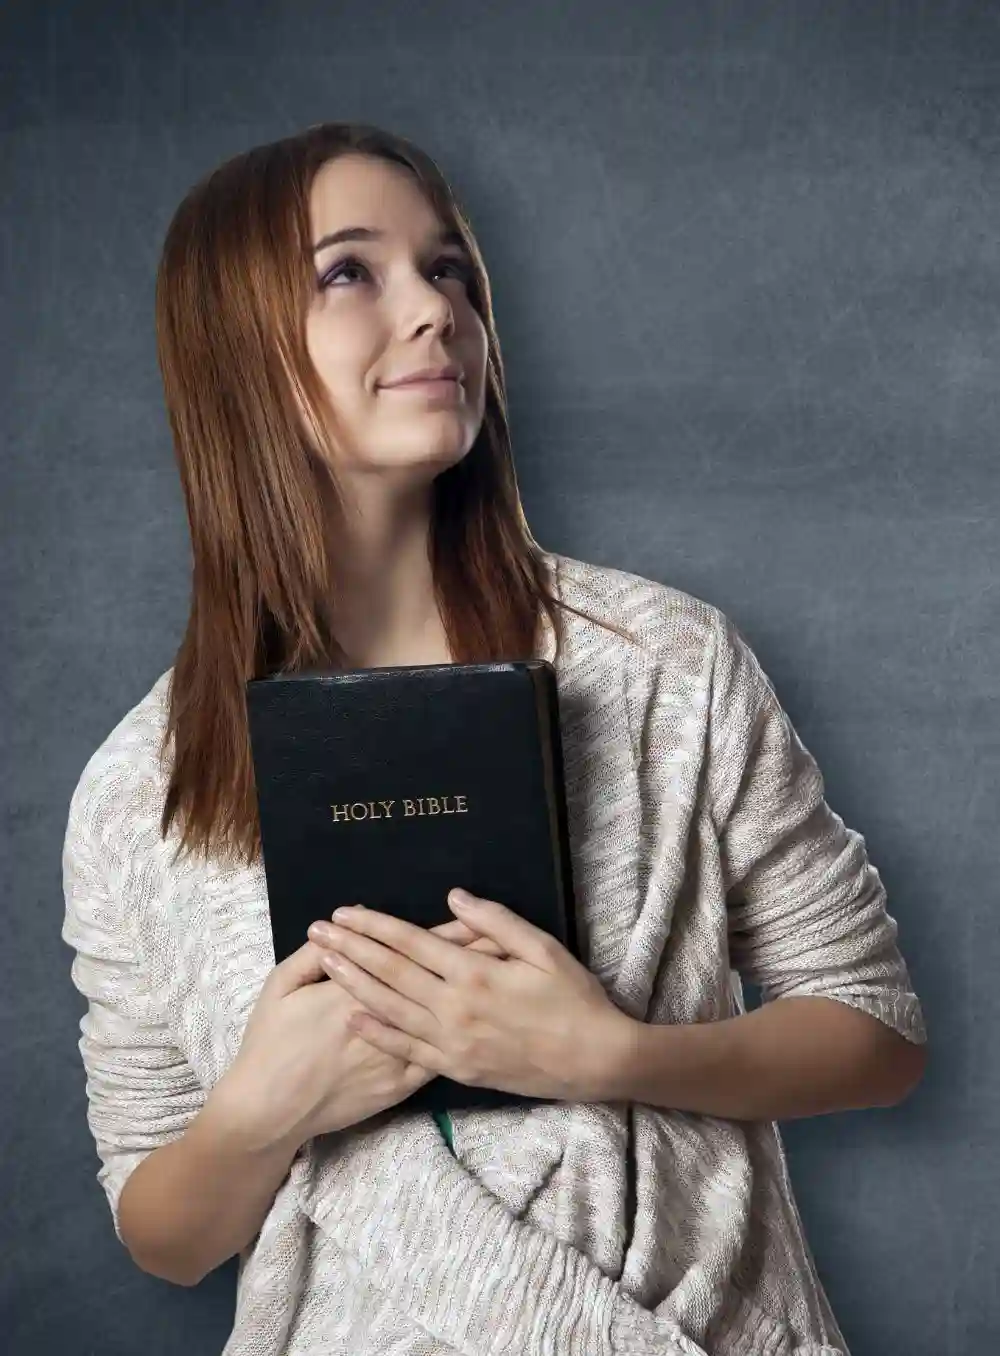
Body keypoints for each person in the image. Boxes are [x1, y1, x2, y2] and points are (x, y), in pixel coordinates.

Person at [61, 121, 927, 1356]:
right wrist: (259, 1113)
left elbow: (873, 1032)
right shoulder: (139, 790)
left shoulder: (665, 664)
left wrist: (608, 1054)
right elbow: (164, 1231)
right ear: (229, 347)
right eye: (349, 271)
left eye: (449, 267)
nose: (433, 311)